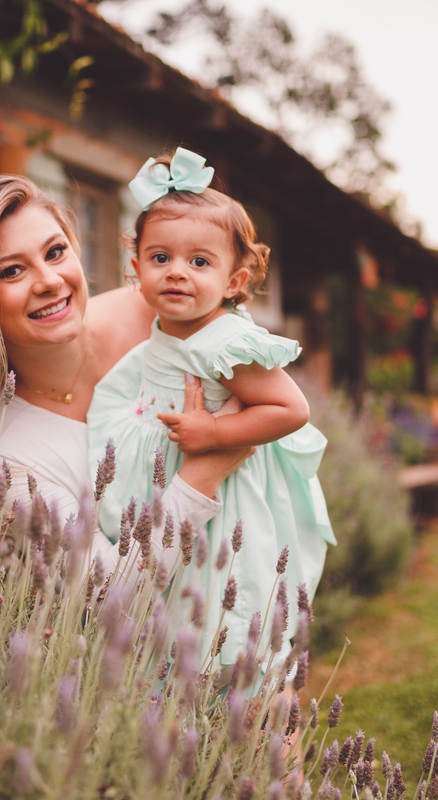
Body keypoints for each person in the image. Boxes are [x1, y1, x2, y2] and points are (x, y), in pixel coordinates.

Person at [0, 173, 251, 567]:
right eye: (11, 271)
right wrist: (204, 475)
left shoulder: (161, 312)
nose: (49, 281)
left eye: (55, 252)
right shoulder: (2, 455)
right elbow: (109, 589)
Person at [87, 148, 335, 669]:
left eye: (199, 262)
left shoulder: (224, 342)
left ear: (233, 282)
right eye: (160, 258)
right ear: (135, 270)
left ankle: (221, 677)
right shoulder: (171, 327)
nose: (177, 272)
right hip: (171, 477)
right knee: (168, 595)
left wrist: (217, 434)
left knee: (214, 593)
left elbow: (291, 409)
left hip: (222, 490)